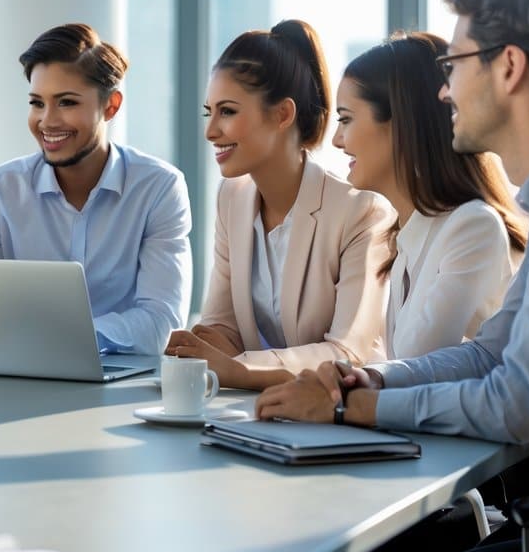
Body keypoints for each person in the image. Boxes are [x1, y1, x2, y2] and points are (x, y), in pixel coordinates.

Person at [257, 0, 529, 552]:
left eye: (454, 65)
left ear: (507, 67)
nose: (442, 91)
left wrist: (350, 411)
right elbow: (489, 354)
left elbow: (514, 404)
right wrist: (359, 380)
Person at [167, 19, 392, 390]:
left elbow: (347, 354)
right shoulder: (232, 199)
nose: (210, 131)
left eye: (228, 111)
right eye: (209, 112)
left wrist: (238, 368)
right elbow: (223, 327)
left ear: (283, 115)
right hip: (256, 412)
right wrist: (198, 348)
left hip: (345, 417)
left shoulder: (360, 211)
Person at [0, 23, 191, 355]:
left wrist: (70, 339)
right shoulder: (1, 190)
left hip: (123, 384)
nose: (47, 121)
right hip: (21, 379)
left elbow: (162, 322)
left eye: (67, 102)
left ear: (111, 106)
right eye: (37, 103)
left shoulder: (158, 188)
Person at [332, 32, 526, 359]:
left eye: (346, 119)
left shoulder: (472, 227)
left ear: (402, 125)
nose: (337, 140)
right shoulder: (404, 241)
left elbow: (416, 368)